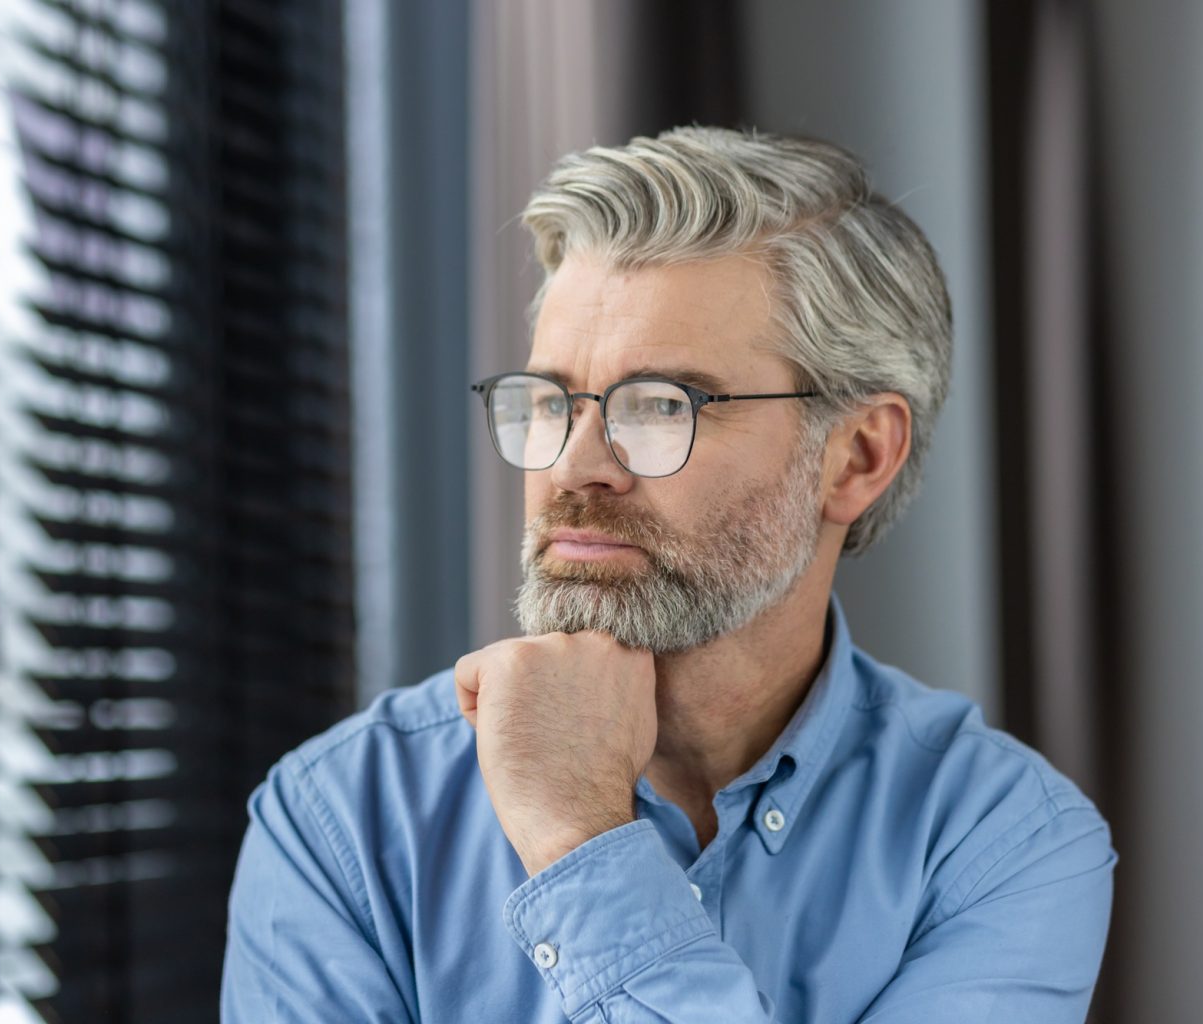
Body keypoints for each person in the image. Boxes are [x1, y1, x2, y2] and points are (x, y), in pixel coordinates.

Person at [220, 126, 1116, 1023]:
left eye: (659, 405)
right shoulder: (338, 822)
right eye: (550, 402)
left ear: (856, 457)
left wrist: (579, 839)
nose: (574, 466)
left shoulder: (1002, 845)